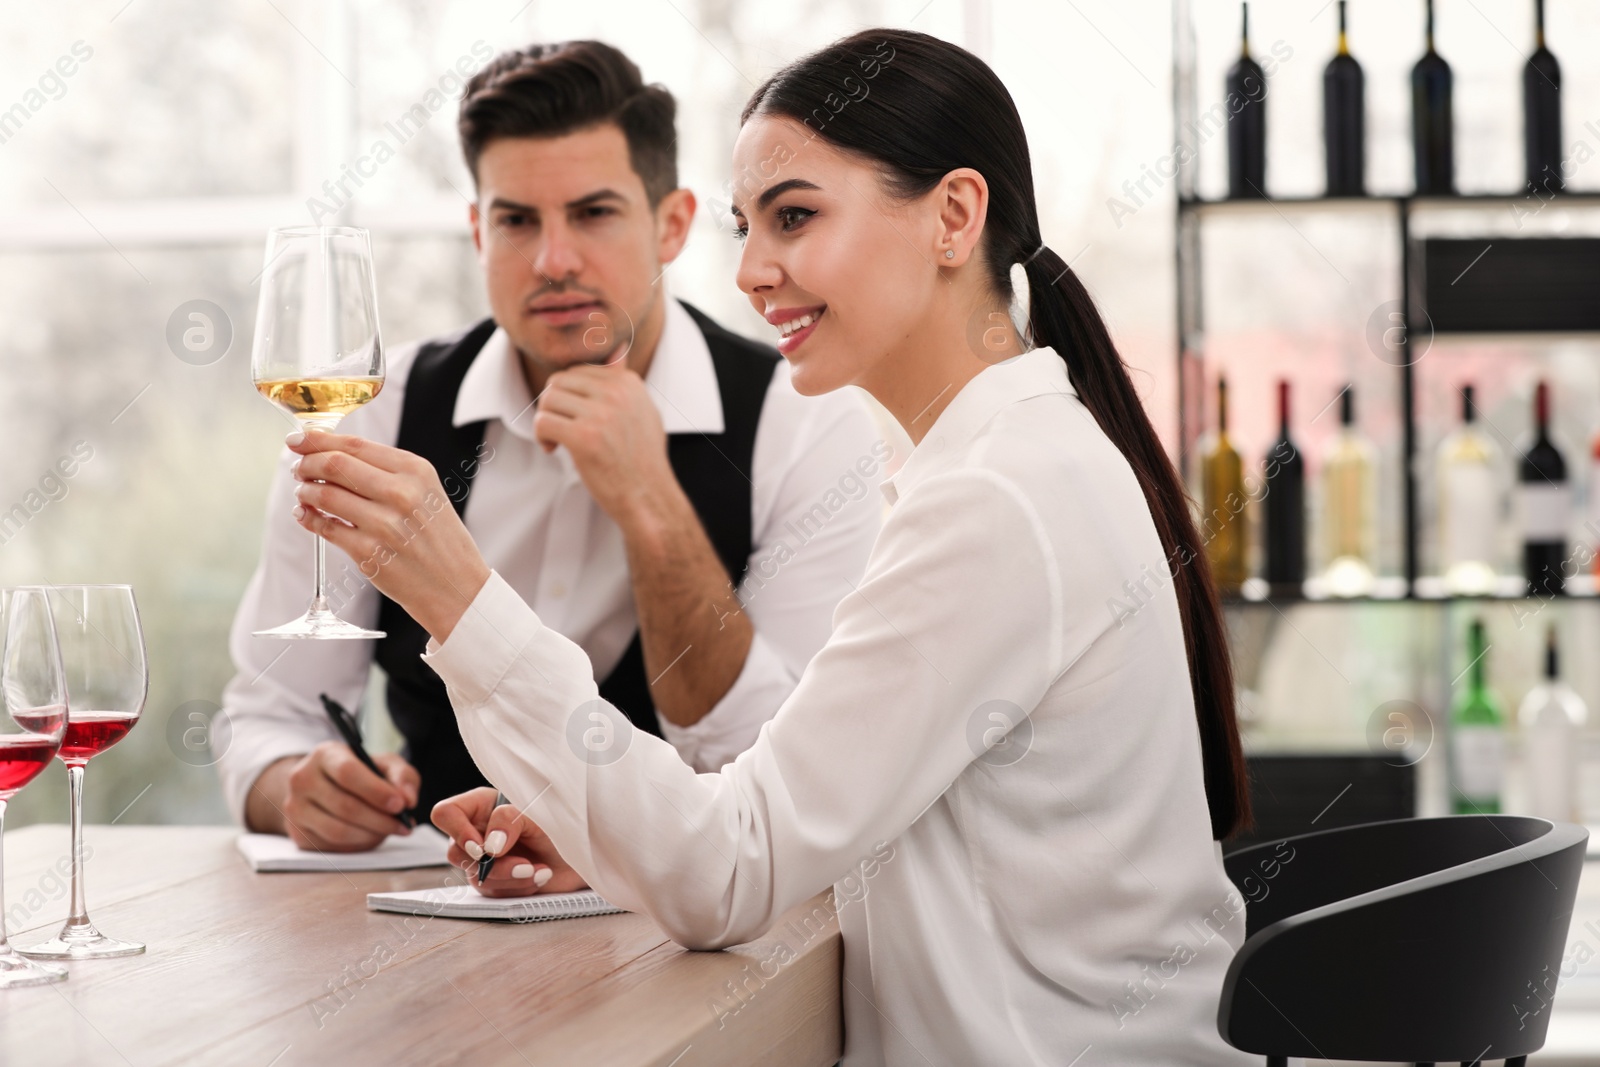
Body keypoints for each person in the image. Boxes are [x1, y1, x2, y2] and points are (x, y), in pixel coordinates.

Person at [281, 28, 1256, 1066]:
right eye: (748, 227)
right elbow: (808, 811)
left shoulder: (997, 497)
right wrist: (608, 845)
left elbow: (726, 876)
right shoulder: (1007, 457)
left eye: (795, 216)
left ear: (953, 217)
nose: (749, 271)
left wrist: (461, 595)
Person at [217, 40, 884, 853]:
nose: (553, 260)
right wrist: (291, 784)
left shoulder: (806, 424)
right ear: (477, 232)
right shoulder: (378, 414)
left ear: (671, 225)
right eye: (517, 220)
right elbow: (263, 718)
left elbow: (781, 775)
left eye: (593, 214)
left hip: (684, 934)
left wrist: (651, 503)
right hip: (426, 916)